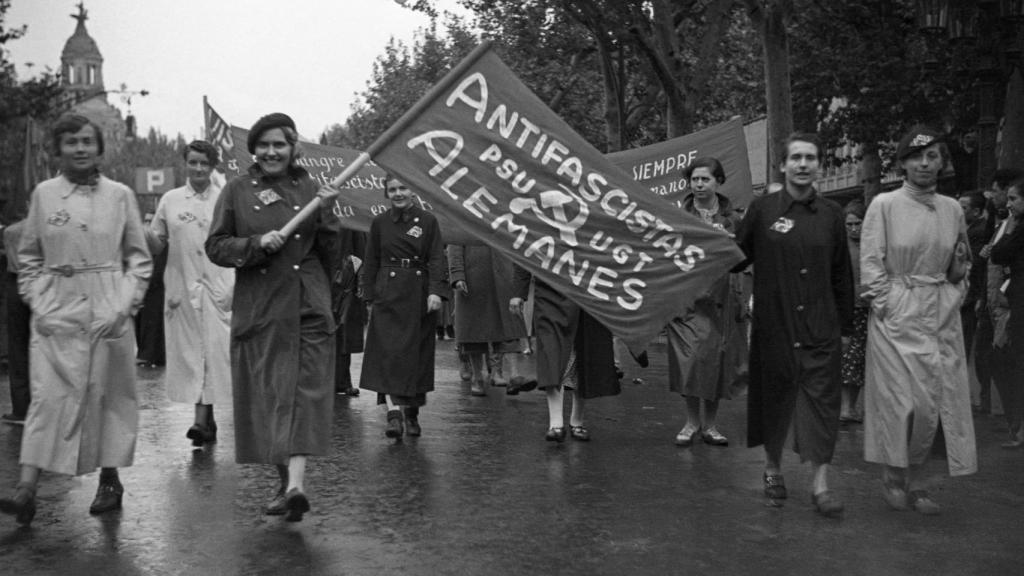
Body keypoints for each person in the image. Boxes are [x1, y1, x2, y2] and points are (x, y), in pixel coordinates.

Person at [0, 114, 152, 526]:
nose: (80, 148)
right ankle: (26, 488)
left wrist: (122, 306)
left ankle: (109, 478)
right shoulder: (45, 195)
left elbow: (139, 259)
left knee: (108, 395)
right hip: (56, 308)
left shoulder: (120, 196)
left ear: (100, 149)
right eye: (71, 142)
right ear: (58, 150)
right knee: (47, 397)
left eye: (87, 141)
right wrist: (38, 298)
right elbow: (29, 255)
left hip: (107, 302)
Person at [206, 113, 337, 522]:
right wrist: (256, 243)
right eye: (263, 145)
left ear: (293, 147)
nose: (271, 152)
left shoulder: (312, 189)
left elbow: (329, 251)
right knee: (271, 398)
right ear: (254, 150)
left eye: (279, 144)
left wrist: (329, 213)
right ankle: (285, 483)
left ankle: (297, 484)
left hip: (307, 305)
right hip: (261, 307)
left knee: (303, 393)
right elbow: (216, 247)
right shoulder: (237, 191)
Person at [733, 132, 853, 517]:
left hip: (820, 327)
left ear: (819, 166)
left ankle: (821, 486)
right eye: (796, 158)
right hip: (775, 325)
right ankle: (772, 469)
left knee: (822, 403)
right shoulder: (763, 209)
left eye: (811, 158)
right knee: (774, 399)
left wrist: (846, 328)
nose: (803, 164)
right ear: (782, 165)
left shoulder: (833, 214)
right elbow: (735, 256)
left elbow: (842, 275)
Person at [861, 125, 977, 516]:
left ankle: (923, 483)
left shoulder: (953, 209)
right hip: (897, 315)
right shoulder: (884, 205)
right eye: (916, 157)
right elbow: (871, 263)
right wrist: (888, 304)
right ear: (903, 163)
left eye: (932, 157)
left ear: (942, 162)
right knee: (902, 402)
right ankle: (894, 475)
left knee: (935, 403)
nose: (924, 164)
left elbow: (963, 261)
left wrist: (954, 294)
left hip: (940, 316)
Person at [146, 140, 234, 447]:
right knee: (191, 352)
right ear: (186, 163)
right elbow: (157, 242)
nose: (198, 169)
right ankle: (203, 418)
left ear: (212, 167)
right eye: (193, 162)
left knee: (213, 350)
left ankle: (203, 418)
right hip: (182, 284)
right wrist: (143, 233)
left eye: (204, 164)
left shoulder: (225, 198)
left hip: (218, 283)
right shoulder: (170, 200)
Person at [668, 157, 748, 447]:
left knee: (716, 361)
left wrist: (730, 244)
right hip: (687, 300)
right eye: (694, 180)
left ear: (718, 181)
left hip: (722, 298)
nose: (699, 185)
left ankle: (710, 425)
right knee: (689, 360)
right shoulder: (678, 216)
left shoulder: (734, 218)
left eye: (705, 179)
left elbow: (745, 256)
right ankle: (691, 422)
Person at [358, 174, 444, 439]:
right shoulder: (380, 223)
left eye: (402, 188)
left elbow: (437, 259)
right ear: (386, 193)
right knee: (388, 354)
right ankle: (393, 415)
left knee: (414, 357)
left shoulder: (428, 221)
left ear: (412, 190)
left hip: (418, 295)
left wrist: (436, 292)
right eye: (392, 189)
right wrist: (369, 295)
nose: (398, 193)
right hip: (387, 293)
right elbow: (371, 259)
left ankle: (412, 413)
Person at [510, 266, 620, 443]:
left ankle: (577, 421)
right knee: (551, 352)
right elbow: (525, 245)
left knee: (584, 354)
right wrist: (518, 292)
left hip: (588, 291)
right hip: (550, 292)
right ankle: (556, 424)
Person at [448, 244, 529, 396]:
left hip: (503, 275)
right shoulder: (465, 220)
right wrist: (457, 275)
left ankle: (514, 375)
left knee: (510, 326)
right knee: (474, 333)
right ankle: (477, 378)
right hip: (473, 278)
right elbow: (455, 243)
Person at [974, 169, 1021, 415]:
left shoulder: (1014, 226)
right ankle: (996, 408)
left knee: (1002, 356)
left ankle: (1011, 417)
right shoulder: (1002, 222)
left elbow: (1002, 255)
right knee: (987, 355)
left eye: (996, 191)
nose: (992, 197)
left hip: (1007, 301)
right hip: (993, 300)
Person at [989, 179, 1024, 448]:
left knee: (1008, 360)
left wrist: (1010, 227)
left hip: (1018, 304)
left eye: (1013, 199)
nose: (1009, 204)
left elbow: (999, 253)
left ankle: (1018, 426)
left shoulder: (1018, 229)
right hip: (1014, 300)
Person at [839, 200, 869, 423]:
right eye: (849, 224)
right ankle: (846, 407)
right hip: (848, 309)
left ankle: (852, 406)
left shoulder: (873, 244)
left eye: (857, 223)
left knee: (861, 360)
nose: (853, 228)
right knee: (849, 357)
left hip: (871, 309)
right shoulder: (839, 246)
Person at [2, 216, 30, 426]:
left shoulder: (10, 231)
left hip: (16, 283)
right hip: (44, 283)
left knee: (18, 347)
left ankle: (21, 408)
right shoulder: (48, 230)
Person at [332, 228, 366, 397]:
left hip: (346, 276)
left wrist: (361, 278)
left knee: (344, 331)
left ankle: (343, 380)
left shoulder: (349, 211)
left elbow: (360, 247)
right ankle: (327, 379)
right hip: (321, 272)